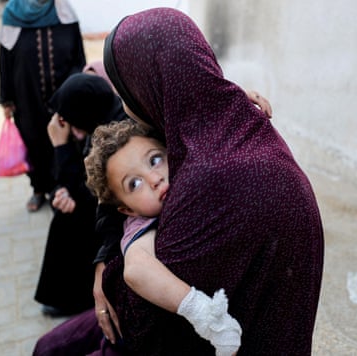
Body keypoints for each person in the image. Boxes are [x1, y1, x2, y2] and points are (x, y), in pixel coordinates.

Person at [101, 7, 324, 355]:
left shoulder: (205, 179)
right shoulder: (242, 122)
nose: (126, 106)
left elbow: (141, 322)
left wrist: (108, 272)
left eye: (124, 90)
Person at [84, 119, 242, 355]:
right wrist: (207, 317)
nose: (154, 178)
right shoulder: (139, 226)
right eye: (134, 184)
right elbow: (136, 270)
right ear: (128, 210)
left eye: (155, 160)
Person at [33, 71, 127, 316]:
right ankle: (65, 295)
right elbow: (76, 182)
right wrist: (62, 191)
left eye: (68, 117)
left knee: (69, 219)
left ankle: (74, 299)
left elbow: (94, 192)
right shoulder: (100, 121)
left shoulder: (113, 134)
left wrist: (61, 146)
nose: (63, 123)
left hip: (119, 217)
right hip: (101, 206)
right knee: (65, 210)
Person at [0, 0, 87, 212]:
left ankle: (62, 188)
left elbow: (78, 55)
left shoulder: (64, 11)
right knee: (33, 140)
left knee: (65, 140)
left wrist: (77, 87)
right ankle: (38, 188)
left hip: (62, 94)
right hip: (26, 95)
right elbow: (4, 60)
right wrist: (6, 98)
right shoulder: (12, 14)